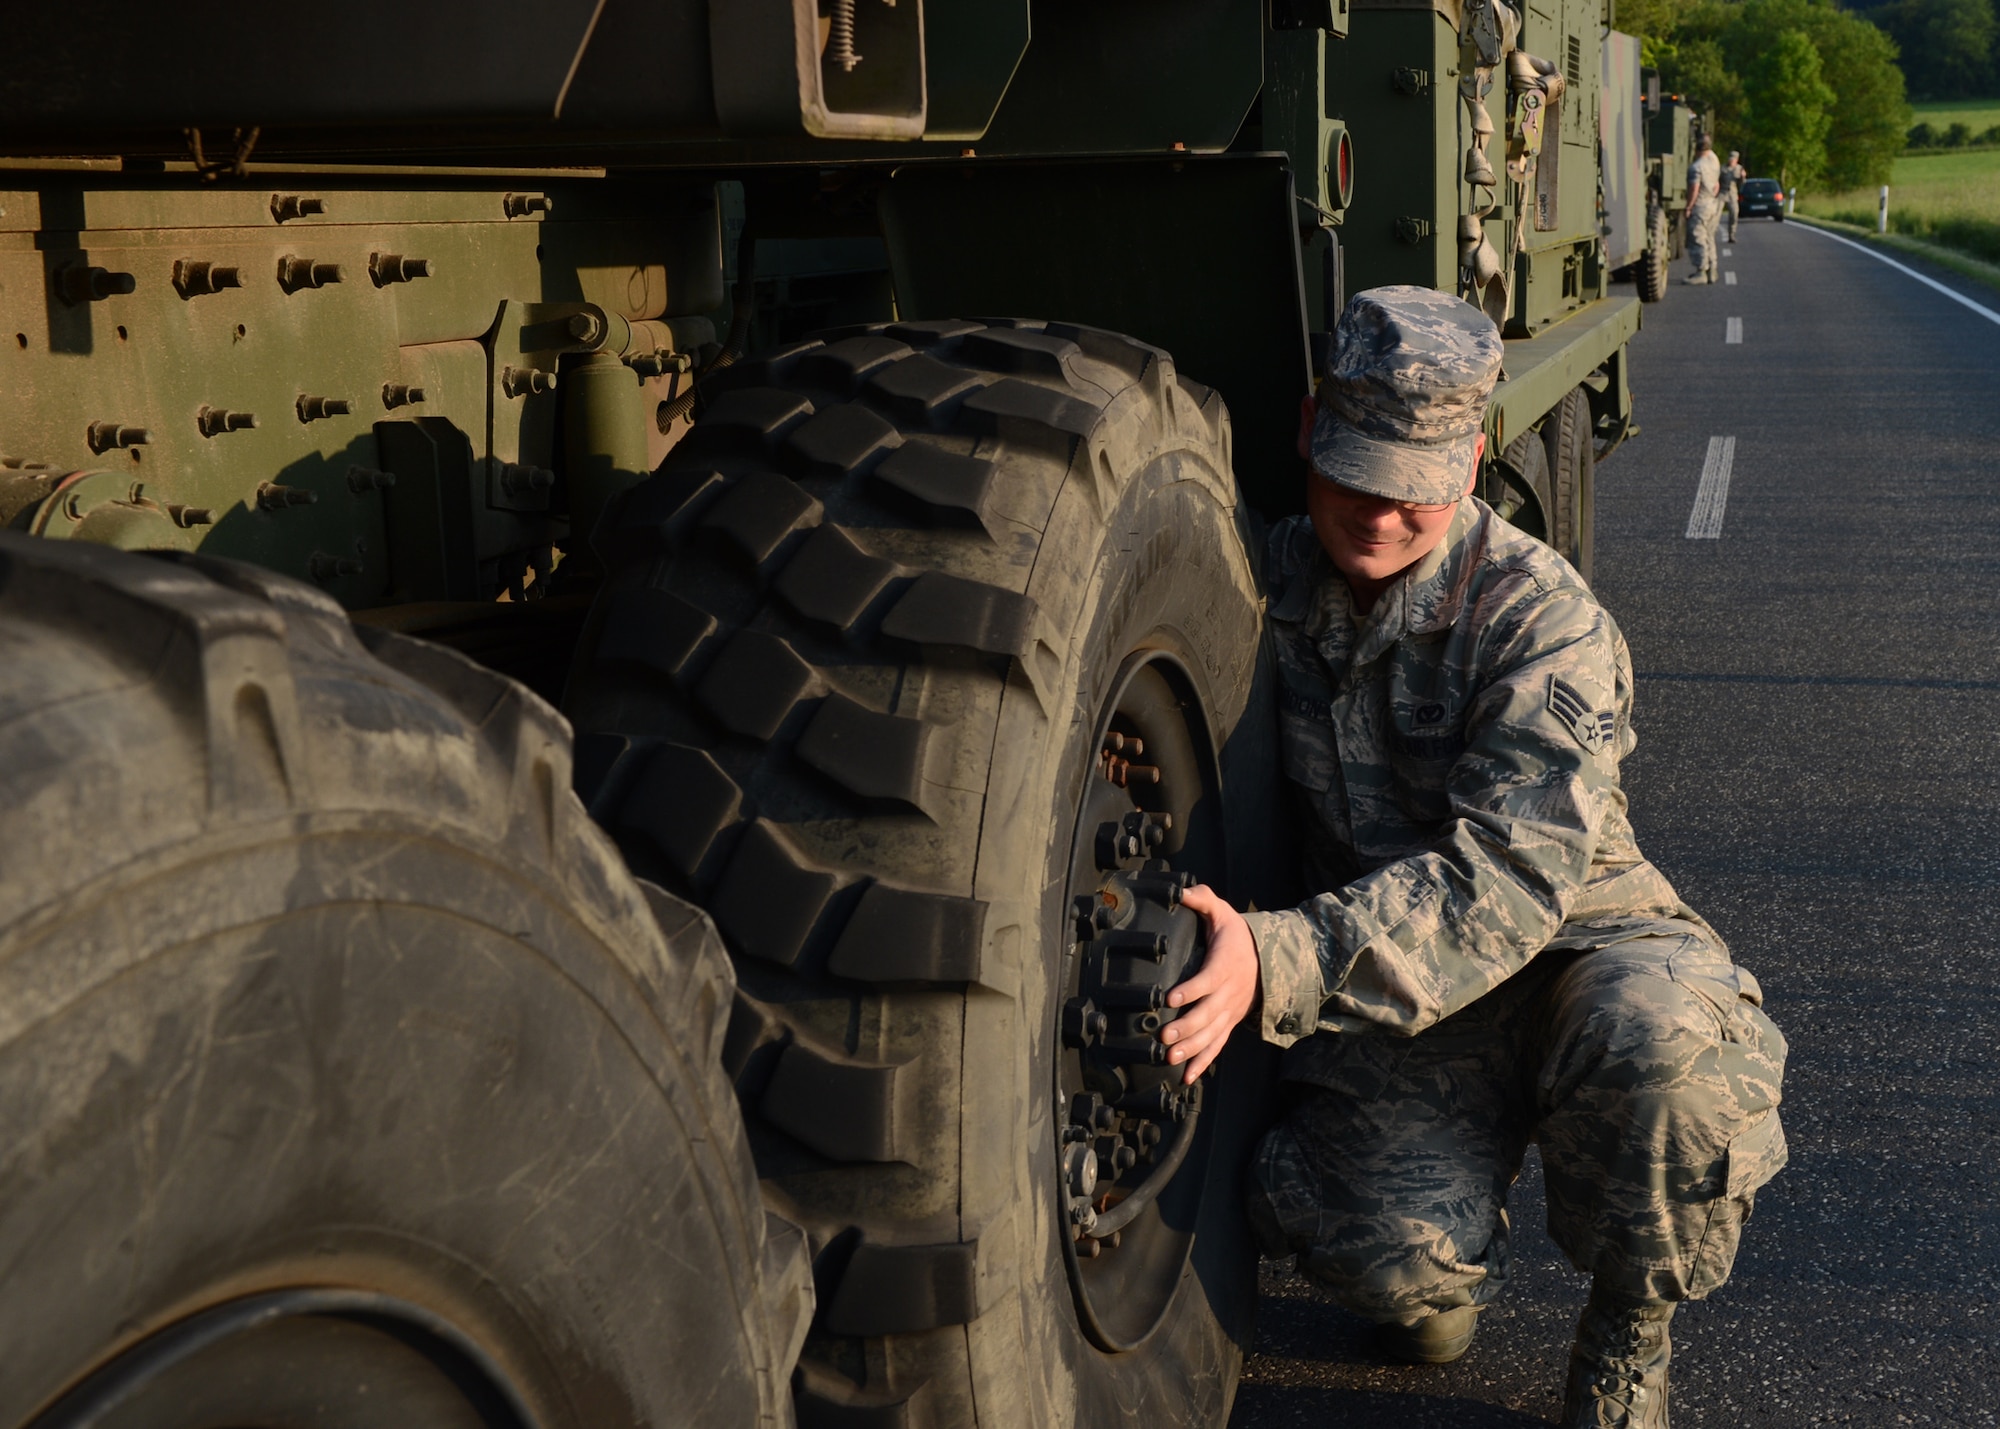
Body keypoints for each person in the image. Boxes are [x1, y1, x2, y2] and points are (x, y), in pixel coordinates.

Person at [1162, 286, 1787, 1428]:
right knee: (1374, 1254)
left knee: (1666, 1061)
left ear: (1474, 461)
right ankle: (1440, 1258)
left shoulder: (1540, 622)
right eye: (1355, 472)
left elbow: (1508, 877)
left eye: (1418, 488)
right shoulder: (1264, 584)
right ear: (1308, 431)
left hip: (1575, 950)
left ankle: (1626, 1336)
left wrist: (1279, 957)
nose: (1382, 513)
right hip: (1407, 990)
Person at [1684, 136, 1722, 284]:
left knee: (1698, 238)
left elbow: (1694, 188)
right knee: (1710, 237)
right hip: (1712, 204)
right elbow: (1717, 184)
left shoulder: (1697, 167)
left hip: (1700, 205)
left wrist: (1689, 206)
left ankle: (1701, 271)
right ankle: (1712, 270)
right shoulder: (1714, 161)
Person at [1722, 150, 1747, 242]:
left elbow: (1742, 184)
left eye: (1733, 159)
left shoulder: (1739, 169)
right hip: (1722, 192)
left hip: (1732, 194)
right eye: (1730, 159)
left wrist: (1743, 176)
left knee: (1734, 214)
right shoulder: (1723, 168)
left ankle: (1731, 235)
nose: (1731, 161)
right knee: (1715, 214)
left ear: (1737, 160)